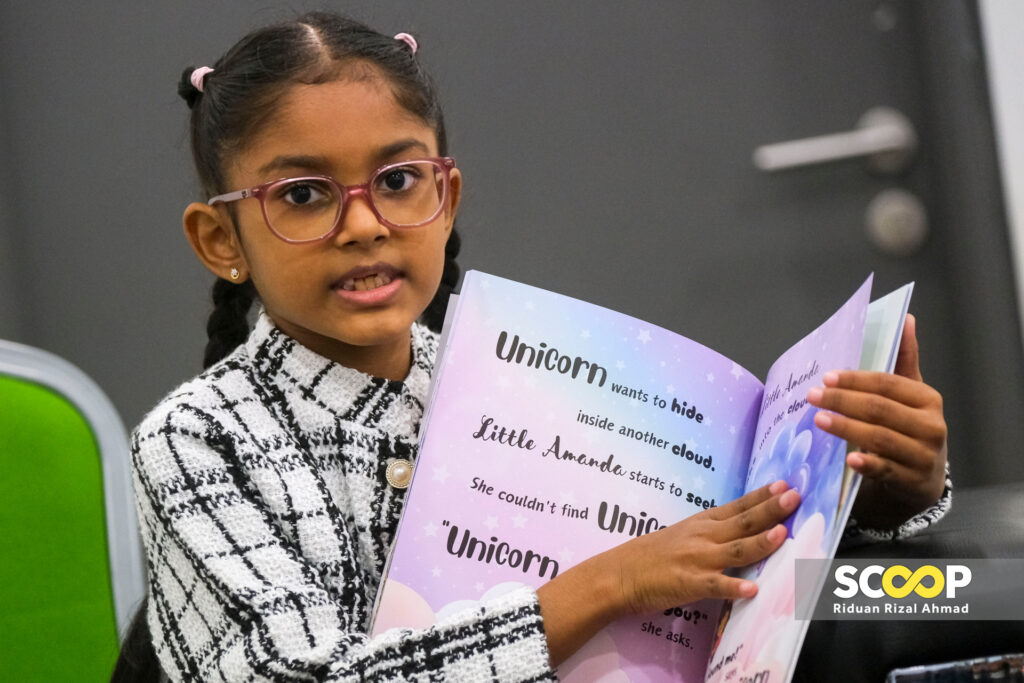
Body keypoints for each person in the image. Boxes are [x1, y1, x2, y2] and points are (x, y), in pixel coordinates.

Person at [125, 11, 949, 682]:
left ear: (446, 197)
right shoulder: (197, 439)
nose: (367, 222)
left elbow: (714, 585)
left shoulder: (527, 380)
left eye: (400, 179)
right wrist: (604, 586)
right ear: (218, 238)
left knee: (954, 606)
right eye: (303, 195)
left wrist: (869, 499)